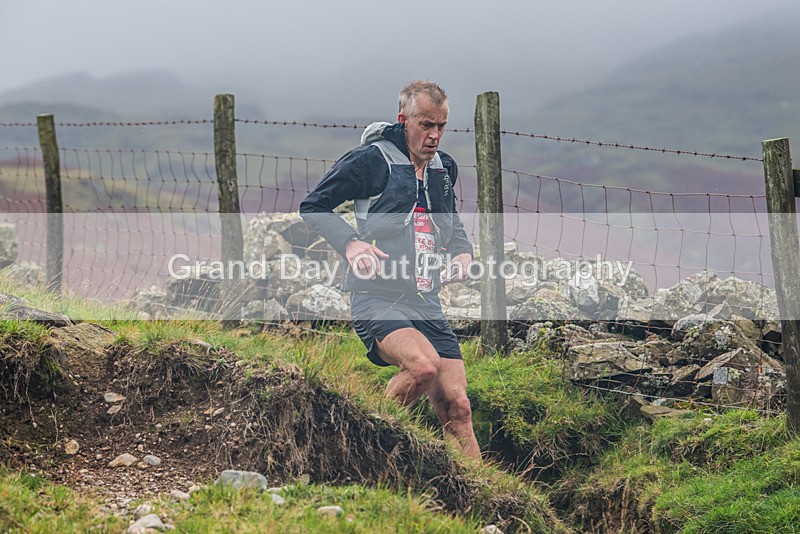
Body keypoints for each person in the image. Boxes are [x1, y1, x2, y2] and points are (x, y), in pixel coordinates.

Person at [299, 81, 480, 460]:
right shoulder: (371, 161)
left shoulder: (443, 168)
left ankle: (483, 492)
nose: (434, 135)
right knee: (423, 368)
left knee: (459, 407)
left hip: (426, 302)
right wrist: (350, 243)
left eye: (441, 126)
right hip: (377, 298)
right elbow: (313, 206)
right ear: (404, 120)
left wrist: (462, 253)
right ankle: (363, 453)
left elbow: (452, 224)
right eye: (426, 125)